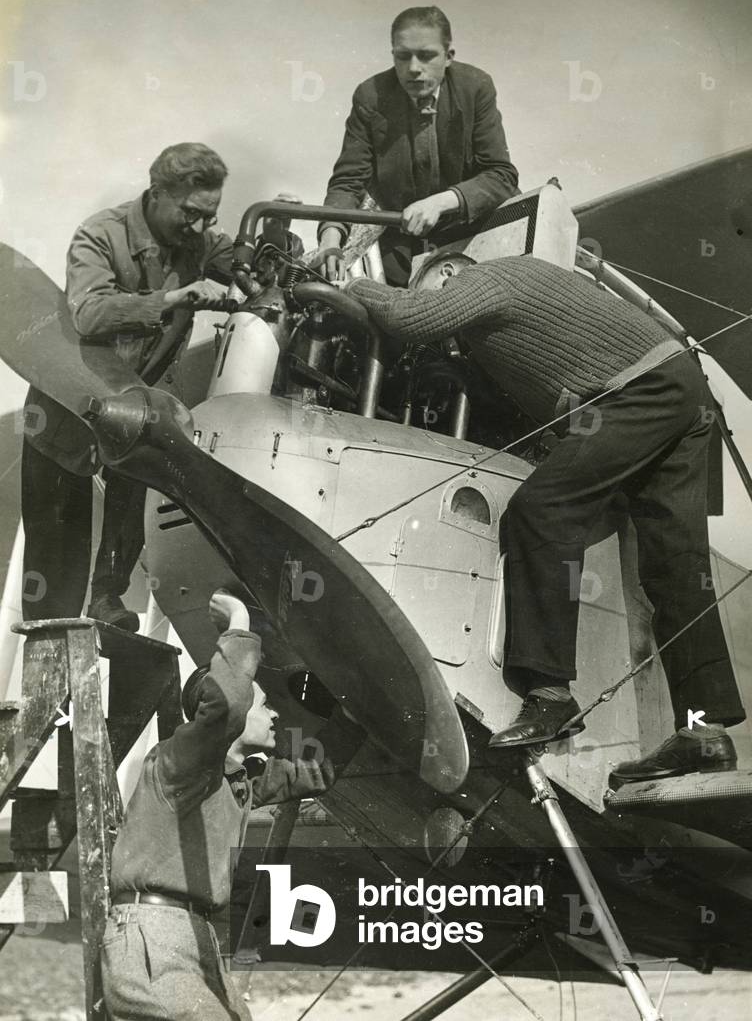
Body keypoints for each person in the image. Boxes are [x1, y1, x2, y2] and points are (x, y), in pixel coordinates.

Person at [343, 254, 746, 786]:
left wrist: (352, 284)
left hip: (640, 388)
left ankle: (550, 694)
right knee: (674, 563)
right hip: (681, 387)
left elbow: (407, 318)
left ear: (446, 277)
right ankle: (703, 727)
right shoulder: (508, 316)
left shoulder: (486, 276)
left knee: (542, 511)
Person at [101, 590, 351, 1020]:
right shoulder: (179, 762)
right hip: (150, 935)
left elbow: (315, 773)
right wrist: (238, 621)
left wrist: (357, 713)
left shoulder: (235, 779)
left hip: (192, 937)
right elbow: (229, 705)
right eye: (265, 704)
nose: (274, 714)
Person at [21, 142, 232, 631]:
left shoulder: (197, 239)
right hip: (66, 414)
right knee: (56, 555)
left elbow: (240, 252)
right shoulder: (99, 235)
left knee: (134, 498)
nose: (201, 228)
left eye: (210, 217)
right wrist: (173, 297)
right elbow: (89, 313)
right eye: (192, 214)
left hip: (133, 413)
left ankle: (107, 597)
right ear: (158, 193)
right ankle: (49, 646)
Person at [317, 5, 519, 286]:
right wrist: (330, 241)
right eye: (403, 56)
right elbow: (348, 181)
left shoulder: (476, 87)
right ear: (393, 56)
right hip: (402, 244)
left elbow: (501, 175)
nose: (413, 68)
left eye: (426, 56)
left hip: (475, 236)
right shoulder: (369, 96)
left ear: (448, 57)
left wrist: (439, 203)